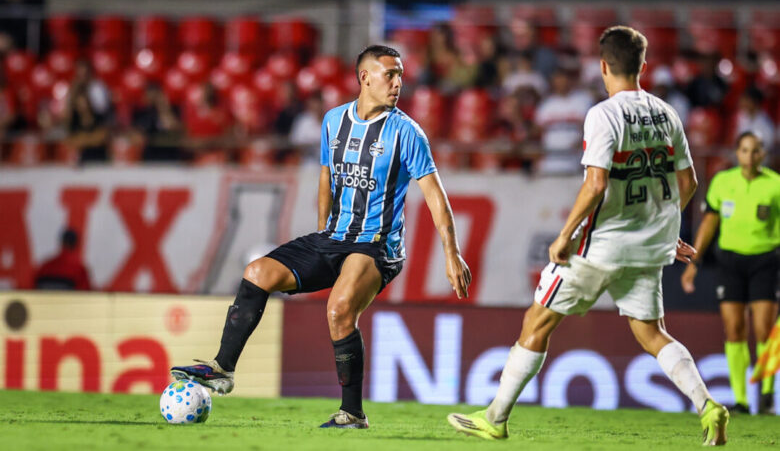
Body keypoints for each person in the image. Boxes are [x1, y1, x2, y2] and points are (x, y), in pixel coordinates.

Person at [447, 26, 729, 446]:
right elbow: (688, 183)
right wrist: (663, 228)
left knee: (538, 320)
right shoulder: (667, 113)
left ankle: (495, 417)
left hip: (602, 245)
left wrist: (565, 235)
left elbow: (596, 184)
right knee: (652, 332)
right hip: (648, 246)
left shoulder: (603, 114)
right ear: (642, 66)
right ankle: (708, 405)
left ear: (603, 67)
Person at [171, 45, 471, 428]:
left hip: (376, 245)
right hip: (333, 238)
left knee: (339, 309)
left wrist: (451, 253)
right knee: (256, 273)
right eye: (390, 74)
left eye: (400, 75)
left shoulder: (407, 132)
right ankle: (223, 368)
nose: (398, 83)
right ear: (365, 77)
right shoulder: (333, 121)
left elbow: (435, 195)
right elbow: (326, 177)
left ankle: (352, 413)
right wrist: (323, 230)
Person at [681, 131, 779, 415]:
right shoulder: (723, 182)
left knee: (764, 329)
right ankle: (742, 400)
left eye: (756, 150)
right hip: (730, 262)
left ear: (763, 154)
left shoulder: (775, 185)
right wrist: (694, 263)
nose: (750, 156)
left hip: (765, 260)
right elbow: (709, 223)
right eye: (745, 150)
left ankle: (768, 392)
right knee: (734, 329)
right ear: (737, 153)